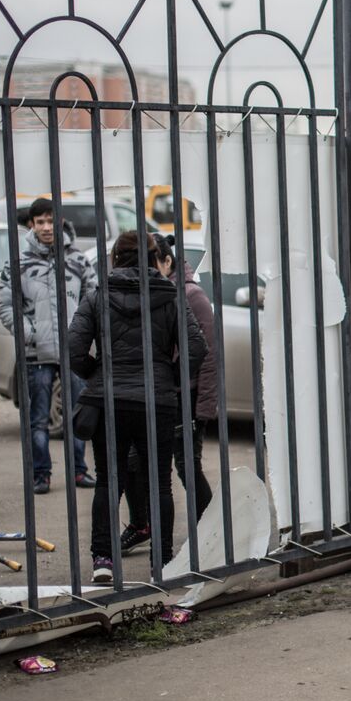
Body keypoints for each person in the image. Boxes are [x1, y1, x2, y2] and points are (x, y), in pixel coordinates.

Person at [68, 231, 206, 582]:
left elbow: (73, 349)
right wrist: (169, 376)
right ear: (152, 258)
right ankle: (162, 562)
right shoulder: (171, 297)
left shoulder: (97, 296)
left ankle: (103, 559)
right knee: (160, 484)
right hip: (156, 402)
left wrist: (98, 374)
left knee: (107, 481)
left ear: (115, 258)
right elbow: (196, 347)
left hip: (109, 402)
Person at [119, 233, 218, 553]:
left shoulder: (191, 295)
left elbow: (209, 354)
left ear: (167, 261)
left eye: (153, 263)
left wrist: (203, 407)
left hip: (186, 397)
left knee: (187, 466)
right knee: (133, 463)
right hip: (155, 395)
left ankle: (212, 531)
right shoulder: (153, 291)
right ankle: (142, 524)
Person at [0, 198, 96, 494]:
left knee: (79, 415)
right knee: (37, 419)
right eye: (40, 222)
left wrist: (82, 334)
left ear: (60, 222)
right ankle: (41, 474)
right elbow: (6, 305)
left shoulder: (78, 260)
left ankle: (79, 471)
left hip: (73, 353)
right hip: (36, 354)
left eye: (50, 221)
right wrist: (28, 333)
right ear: (32, 224)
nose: (45, 227)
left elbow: (93, 299)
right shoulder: (18, 263)